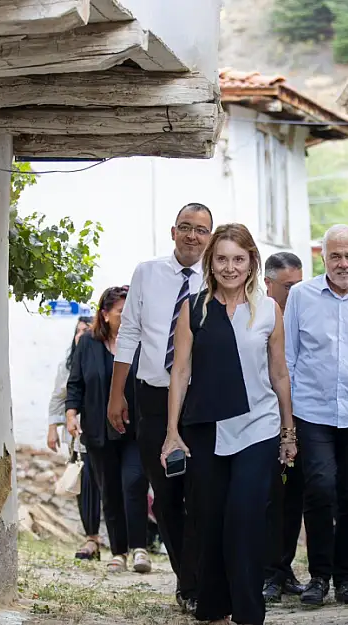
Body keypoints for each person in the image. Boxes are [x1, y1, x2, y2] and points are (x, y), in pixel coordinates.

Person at [161, 223, 297, 625]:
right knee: (211, 519)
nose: (230, 266)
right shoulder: (195, 307)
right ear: (211, 262)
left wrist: (288, 432)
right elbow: (180, 371)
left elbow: (279, 374)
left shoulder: (268, 308)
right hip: (207, 429)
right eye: (222, 258)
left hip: (258, 427)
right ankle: (215, 609)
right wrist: (172, 431)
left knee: (245, 518)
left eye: (238, 258)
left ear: (252, 260)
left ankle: (249, 614)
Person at [108, 203, 213, 611]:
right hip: (151, 396)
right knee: (166, 496)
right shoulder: (147, 273)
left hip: (201, 400)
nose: (192, 236)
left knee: (201, 493)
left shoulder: (220, 276)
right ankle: (188, 583)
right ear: (173, 232)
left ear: (209, 235)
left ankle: (199, 580)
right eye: (185, 227)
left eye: (200, 230)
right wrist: (117, 394)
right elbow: (130, 333)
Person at [282, 225, 348, 606]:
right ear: (323, 257)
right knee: (319, 489)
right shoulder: (301, 296)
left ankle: (346, 579)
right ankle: (319, 577)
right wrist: (286, 423)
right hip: (313, 411)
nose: (343, 263)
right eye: (335, 256)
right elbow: (287, 357)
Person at [67, 286, 152, 574]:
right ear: (105, 314)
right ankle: (119, 552)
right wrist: (70, 415)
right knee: (111, 491)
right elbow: (75, 383)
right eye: (120, 312)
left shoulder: (142, 342)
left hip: (136, 431)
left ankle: (140, 548)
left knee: (134, 483)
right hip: (99, 432)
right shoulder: (87, 344)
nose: (127, 318)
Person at [260, 252, 306, 603]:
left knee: (293, 498)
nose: (295, 292)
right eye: (289, 286)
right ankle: (267, 572)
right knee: (268, 499)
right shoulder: (257, 316)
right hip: (263, 422)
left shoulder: (306, 313)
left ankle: (284, 567)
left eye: (299, 284)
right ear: (269, 283)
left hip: (301, 419)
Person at [46, 315, 104, 560]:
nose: (82, 335)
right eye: (78, 331)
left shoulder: (104, 360)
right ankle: (91, 538)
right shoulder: (67, 365)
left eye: (87, 330)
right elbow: (59, 396)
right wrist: (53, 427)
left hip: (107, 432)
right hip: (79, 435)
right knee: (86, 485)